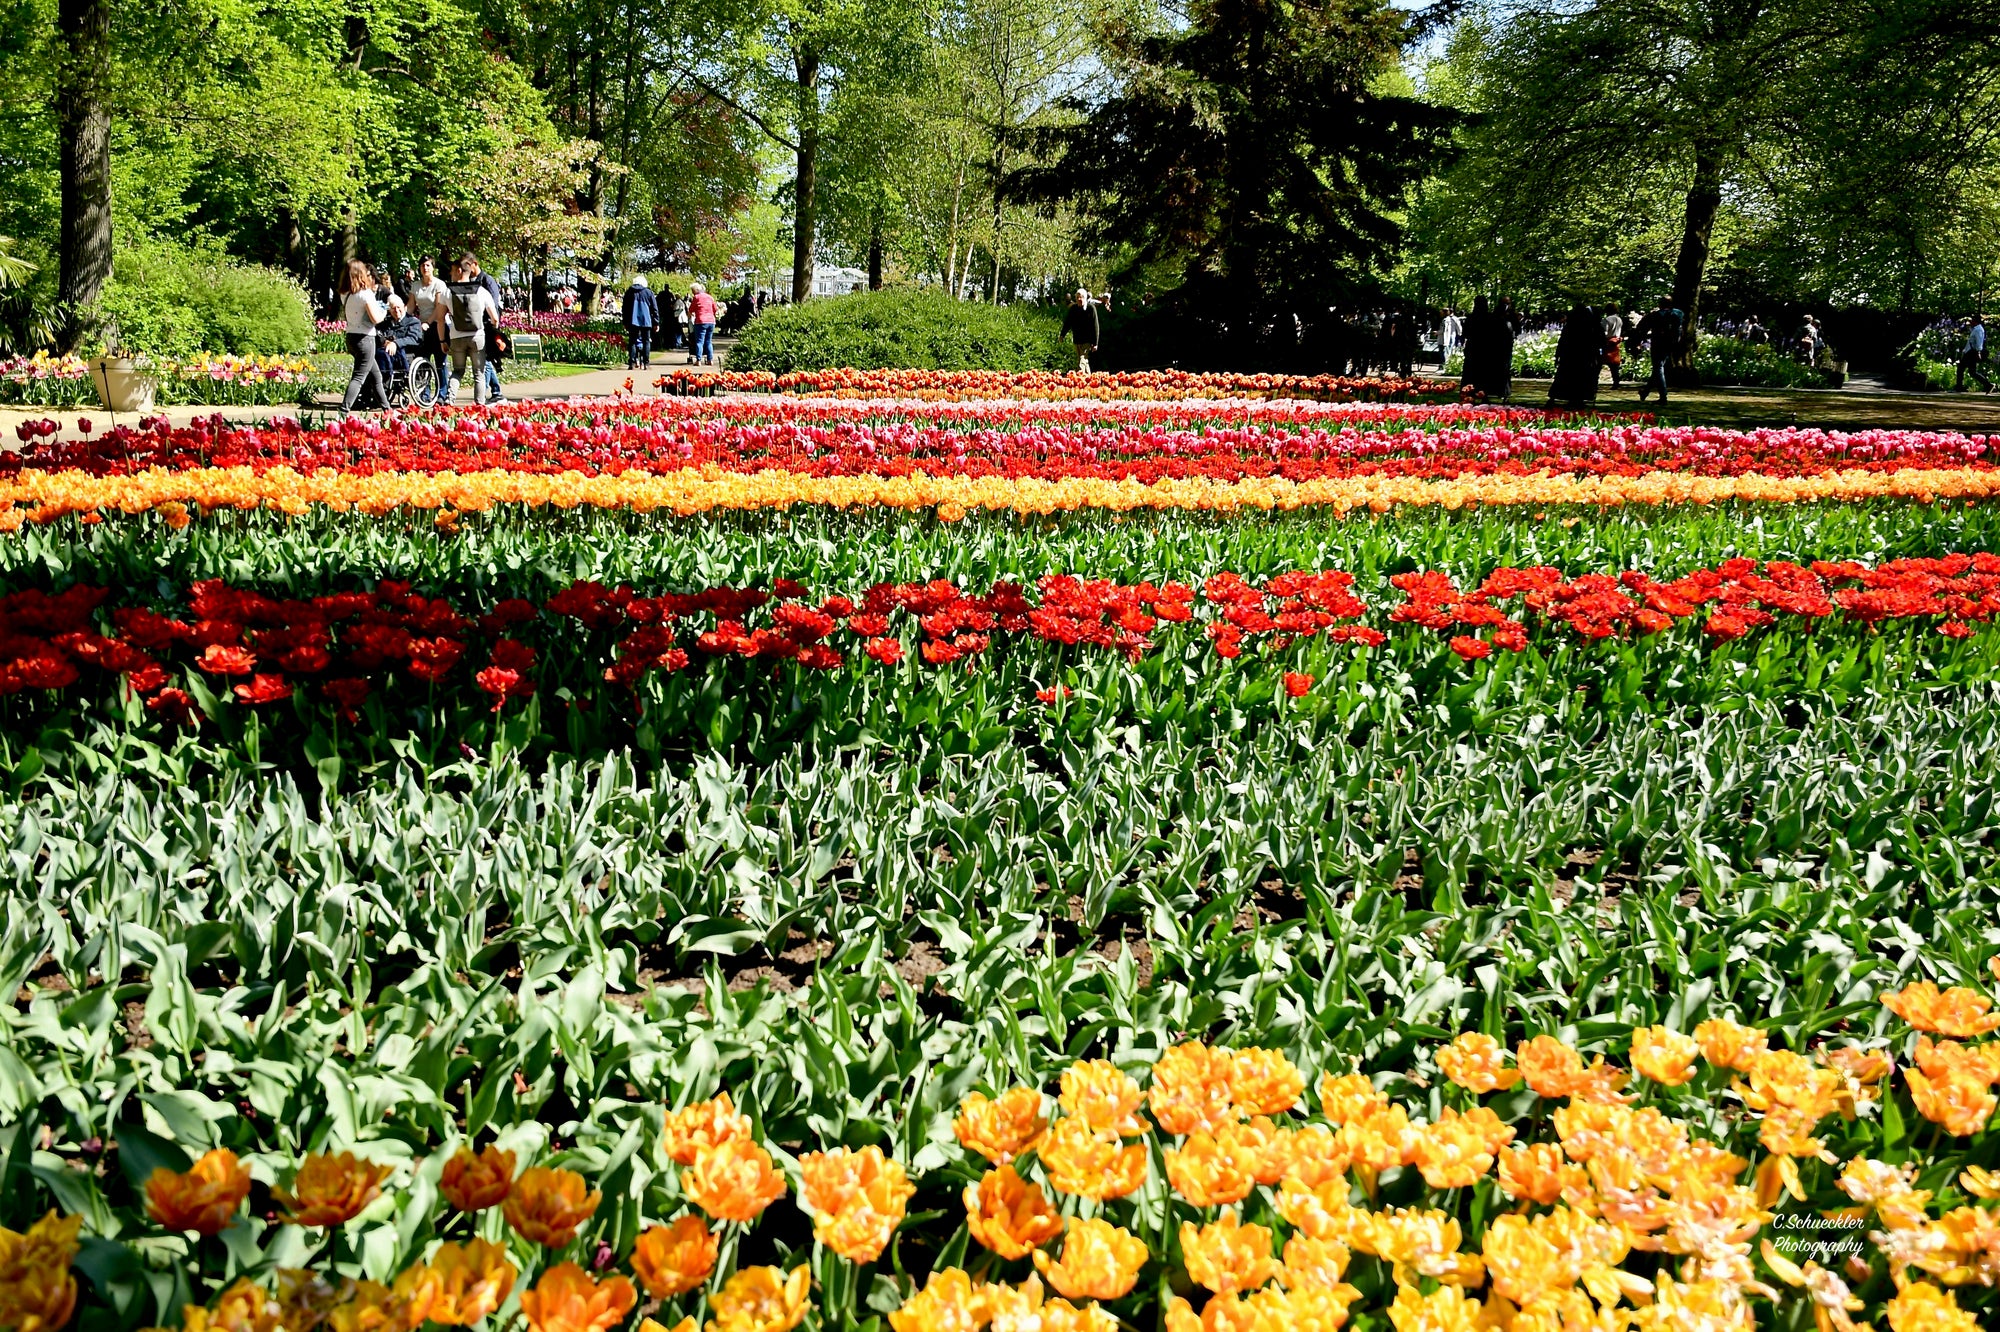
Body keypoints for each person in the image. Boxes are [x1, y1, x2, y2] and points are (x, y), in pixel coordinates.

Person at [442, 259, 500, 406]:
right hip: (477, 337)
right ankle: (479, 404)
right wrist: (493, 331)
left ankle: (449, 400)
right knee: (479, 374)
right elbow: (494, 318)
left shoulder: (448, 292)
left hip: (456, 337)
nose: (451, 274)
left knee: (458, 371)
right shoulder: (481, 291)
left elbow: (439, 318)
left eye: (453, 270)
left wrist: (443, 340)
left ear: (459, 271)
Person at [338, 259, 390, 416]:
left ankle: (387, 409)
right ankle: (343, 411)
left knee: (376, 375)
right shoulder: (365, 294)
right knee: (359, 377)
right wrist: (385, 311)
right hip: (365, 338)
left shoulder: (345, 294)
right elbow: (375, 319)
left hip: (351, 337)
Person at [408, 256, 454, 403]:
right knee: (422, 361)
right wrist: (402, 317)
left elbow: (439, 308)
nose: (425, 268)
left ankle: (442, 394)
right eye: (422, 265)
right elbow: (410, 306)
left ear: (433, 267)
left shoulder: (439, 285)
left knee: (440, 362)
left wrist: (428, 322)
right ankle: (425, 394)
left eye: (428, 265)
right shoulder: (415, 286)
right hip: (421, 327)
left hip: (437, 325)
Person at [461, 254, 505, 399]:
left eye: (467, 265)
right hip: (475, 325)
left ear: (475, 263)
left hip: (487, 325)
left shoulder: (487, 280)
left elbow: (493, 304)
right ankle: (496, 391)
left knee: (483, 359)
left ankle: (483, 392)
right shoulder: (470, 281)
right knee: (484, 359)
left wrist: (493, 326)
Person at [1550, 302, 1603, 405]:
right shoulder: (1591, 324)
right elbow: (1598, 340)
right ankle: (1579, 397)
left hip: (1570, 354)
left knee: (1567, 375)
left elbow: (1563, 340)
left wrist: (1558, 355)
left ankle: (1564, 396)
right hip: (1585, 355)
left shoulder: (1571, 324)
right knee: (1582, 376)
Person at [1636, 296, 1681, 406]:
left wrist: (1642, 338)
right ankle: (1645, 391)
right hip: (1670, 344)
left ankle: (1663, 396)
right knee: (1658, 368)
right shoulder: (1677, 314)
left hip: (1658, 344)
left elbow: (1641, 327)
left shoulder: (1654, 316)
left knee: (1658, 368)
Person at [622, 274, 659, 370]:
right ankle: (646, 363)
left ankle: (632, 363)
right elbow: (654, 309)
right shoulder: (648, 292)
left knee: (632, 341)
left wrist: (625, 322)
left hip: (632, 320)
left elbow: (624, 309)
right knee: (646, 341)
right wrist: (656, 322)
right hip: (646, 320)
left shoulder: (629, 292)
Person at [1062, 288, 1099, 372]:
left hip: (1087, 341)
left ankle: (1079, 379)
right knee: (1083, 360)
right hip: (1077, 340)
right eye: (1077, 297)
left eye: (1081, 297)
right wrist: (1062, 335)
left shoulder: (1091, 308)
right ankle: (1090, 380)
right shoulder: (1073, 309)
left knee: (1082, 360)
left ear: (1085, 298)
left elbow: (1095, 326)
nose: (1079, 299)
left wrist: (1095, 343)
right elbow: (1068, 322)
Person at [1958, 315, 1993, 392]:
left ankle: (1959, 387)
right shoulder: (1976, 329)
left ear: (1976, 321)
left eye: (1972, 320)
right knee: (1972, 372)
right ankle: (1988, 385)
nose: (1971, 322)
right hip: (1971, 351)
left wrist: (1978, 352)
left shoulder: (1978, 330)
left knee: (1961, 368)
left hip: (1972, 352)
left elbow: (1979, 342)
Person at [687, 281, 718, 364]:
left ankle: (698, 360)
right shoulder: (710, 297)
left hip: (701, 321)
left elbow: (690, 310)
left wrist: (689, 317)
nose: (693, 293)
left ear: (696, 290)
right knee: (708, 341)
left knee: (699, 341)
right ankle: (710, 359)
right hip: (711, 321)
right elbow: (715, 309)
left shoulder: (696, 298)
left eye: (693, 291)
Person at [1599, 304, 1624, 386]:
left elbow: (1604, 332)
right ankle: (1616, 380)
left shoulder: (1606, 320)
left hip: (1607, 342)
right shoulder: (1619, 319)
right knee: (1614, 363)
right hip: (1616, 342)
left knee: (1600, 361)